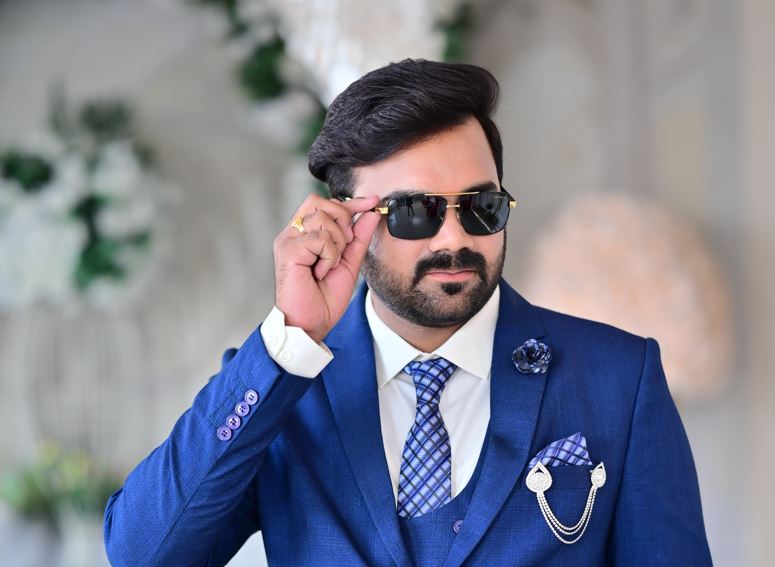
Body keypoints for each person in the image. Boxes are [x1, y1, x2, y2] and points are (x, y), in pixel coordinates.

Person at [103, 59, 712, 566]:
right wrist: (291, 339)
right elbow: (141, 553)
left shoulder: (618, 379)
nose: (455, 239)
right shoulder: (280, 393)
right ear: (347, 222)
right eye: (415, 211)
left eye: (481, 207)